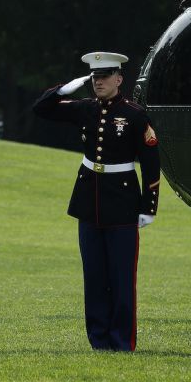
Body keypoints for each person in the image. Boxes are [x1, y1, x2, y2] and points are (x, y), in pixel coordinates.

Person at [33, 51, 160, 351]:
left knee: (121, 277)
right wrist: (66, 88)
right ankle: (99, 340)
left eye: (104, 77)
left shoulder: (134, 114)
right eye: (94, 77)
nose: (98, 82)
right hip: (89, 200)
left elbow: (151, 164)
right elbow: (41, 108)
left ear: (119, 79)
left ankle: (121, 340)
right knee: (94, 276)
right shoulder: (85, 108)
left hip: (123, 201)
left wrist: (148, 207)